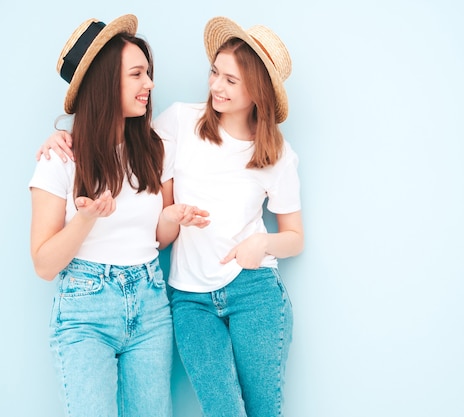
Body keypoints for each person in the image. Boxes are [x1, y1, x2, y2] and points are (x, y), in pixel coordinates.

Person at [38, 16, 303, 417]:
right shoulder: (176, 122)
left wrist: (252, 240)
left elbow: (292, 236)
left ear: (258, 90)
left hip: (212, 294)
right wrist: (64, 141)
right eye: (215, 73)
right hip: (161, 299)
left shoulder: (273, 155)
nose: (216, 86)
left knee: (263, 409)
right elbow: (44, 262)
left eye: (231, 80)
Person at [29, 14, 208, 417]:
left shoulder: (153, 148)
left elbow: (157, 239)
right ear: (106, 83)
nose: (150, 84)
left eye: (149, 73)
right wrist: (86, 219)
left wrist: (173, 217)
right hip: (85, 309)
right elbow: (43, 263)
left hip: (150, 303)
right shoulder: (59, 160)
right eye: (137, 74)